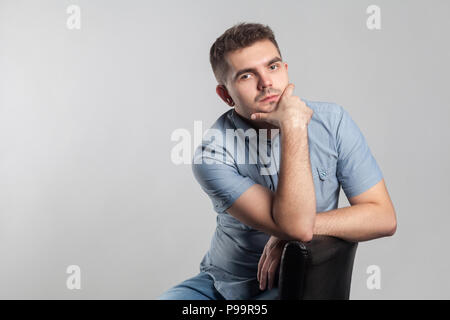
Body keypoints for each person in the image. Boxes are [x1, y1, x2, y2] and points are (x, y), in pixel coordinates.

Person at [158, 22, 397, 300]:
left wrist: (292, 230)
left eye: (272, 67)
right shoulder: (211, 154)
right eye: (247, 76)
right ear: (225, 95)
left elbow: (383, 217)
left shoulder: (333, 122)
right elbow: (296, 226)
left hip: (295, 285)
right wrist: (294, 126)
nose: (266, 83)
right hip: (223, 283)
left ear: (285, 69)